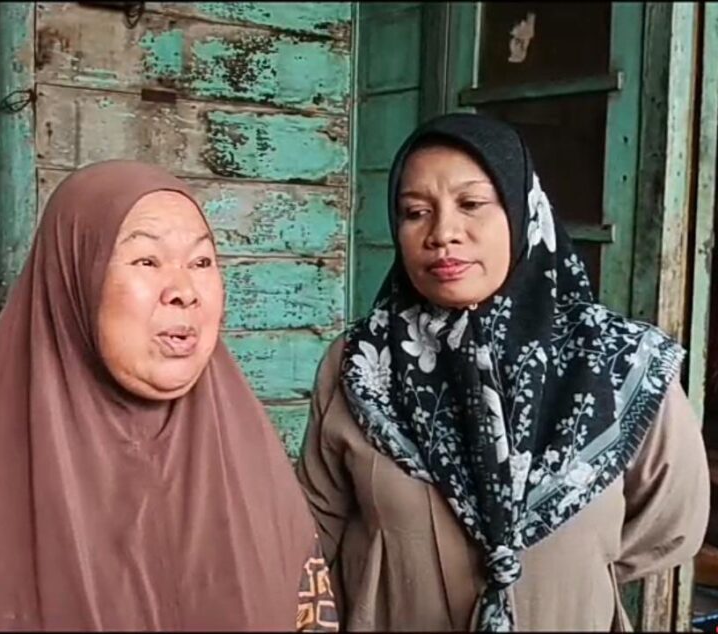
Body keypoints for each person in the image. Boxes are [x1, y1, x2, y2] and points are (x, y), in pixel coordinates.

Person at [0, 161, 339, 632]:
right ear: (74, 279)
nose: (184, 290)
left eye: (202, 261)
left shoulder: (243, 443)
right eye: (147, 260)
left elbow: (309, 610)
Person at [296, 113, 710, 631]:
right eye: (415, 212)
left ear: (522, 209)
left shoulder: (620, 362)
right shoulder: (361, 364)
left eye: (471, 204)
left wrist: (553, 566)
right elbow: (312, 528)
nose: (442, 234)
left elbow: (670, 524)